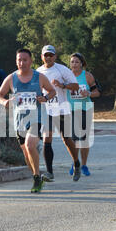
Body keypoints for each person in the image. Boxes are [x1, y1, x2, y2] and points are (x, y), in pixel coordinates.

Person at [0, 48, 56, 193]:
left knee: (30, 145)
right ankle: (37, 174)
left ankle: (36, 178)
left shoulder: (39, 77)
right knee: (26, 153)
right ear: (16, 62)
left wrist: (45, 98)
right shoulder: (11, 78)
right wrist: (5, 102)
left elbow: (52, 91)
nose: (22, 63)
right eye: (19, 60)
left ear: (31, 61)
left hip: (36, 118)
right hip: (19, 120)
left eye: (24, 60)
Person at [36, 45, 81, 182]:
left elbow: (76, 86)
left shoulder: (62, 70)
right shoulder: (38, 72)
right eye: (46, 55)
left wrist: (62, 85)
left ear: (55, 56)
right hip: (47, 110)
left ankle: (76, 163)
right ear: (42, 57)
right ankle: (50, 172)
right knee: (46, 139)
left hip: (62, 109)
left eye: (51, 55)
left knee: (66, 139)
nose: (48, 57)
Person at [67, 53, 101, 176]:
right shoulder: (66, 76)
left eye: (76, 62)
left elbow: (97, 92)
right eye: (72, 62)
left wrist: (88, 93)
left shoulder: (87, 76)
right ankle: (75, 163)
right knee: (73, 140)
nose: (74, 64)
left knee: (84, 140)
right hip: (70, 110)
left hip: (85, 109)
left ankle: (84, 165)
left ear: (82, 63)